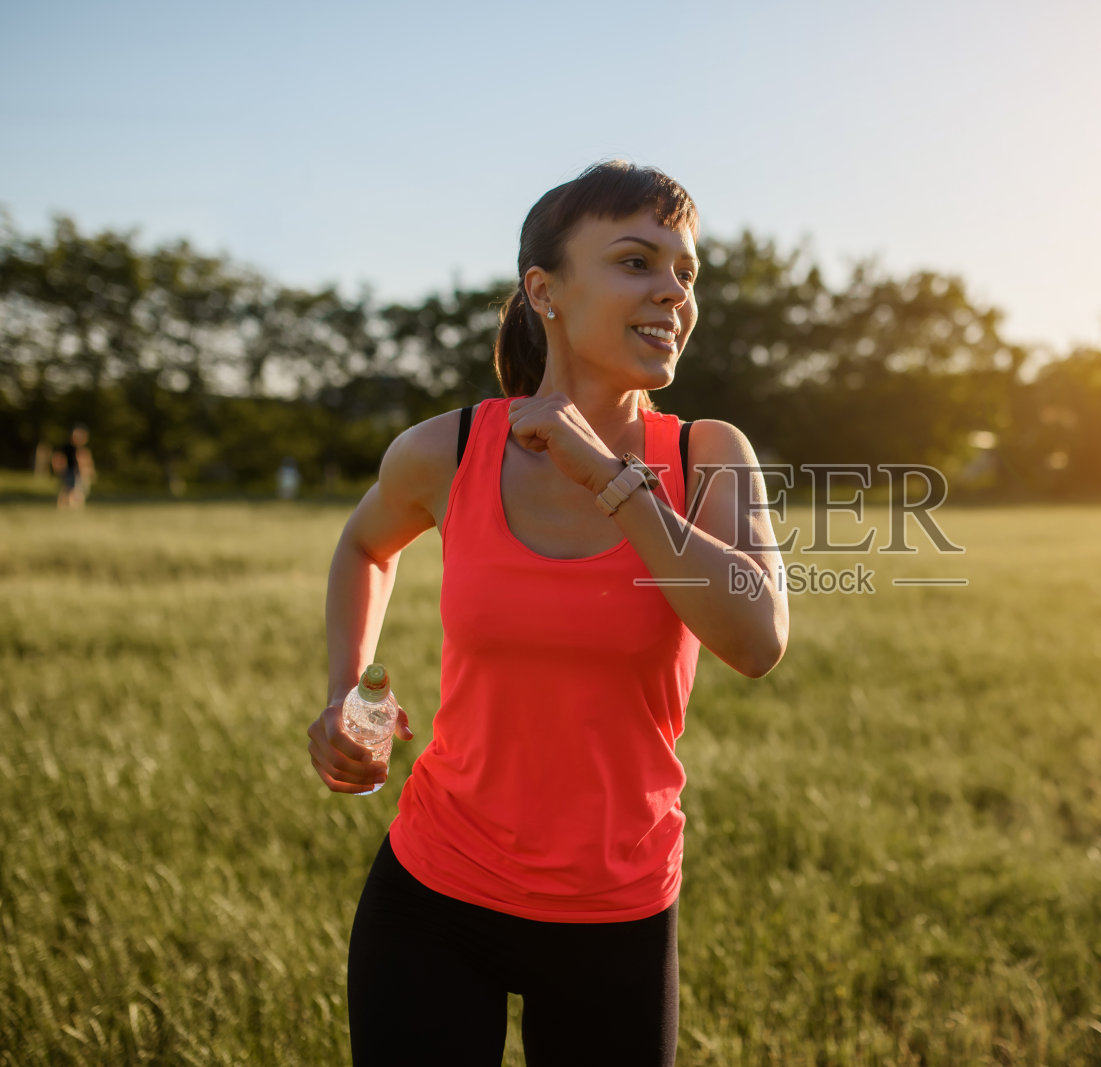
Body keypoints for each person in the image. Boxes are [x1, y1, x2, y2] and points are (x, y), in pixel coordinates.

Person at [307, 160, 789, 1066]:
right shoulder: (446, 449)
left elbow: (758, 639)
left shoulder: (708, 453)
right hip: (434, 890)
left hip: (617, 909)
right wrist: (342, 694)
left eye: (686, 273)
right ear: (546, 290)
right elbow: (364, 545)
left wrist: (609, 478)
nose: (672, 294)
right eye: (638, 262)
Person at [52, 425, 94, 509]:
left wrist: (89, 472)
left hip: (79, 474)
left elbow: (87, 463)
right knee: (68, 490)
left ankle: (74, 507)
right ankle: (64, 506)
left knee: (77, 491)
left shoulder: (83, 449)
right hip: (69, 472)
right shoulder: (67, 448)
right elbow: (57, 458)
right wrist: (59, 469)